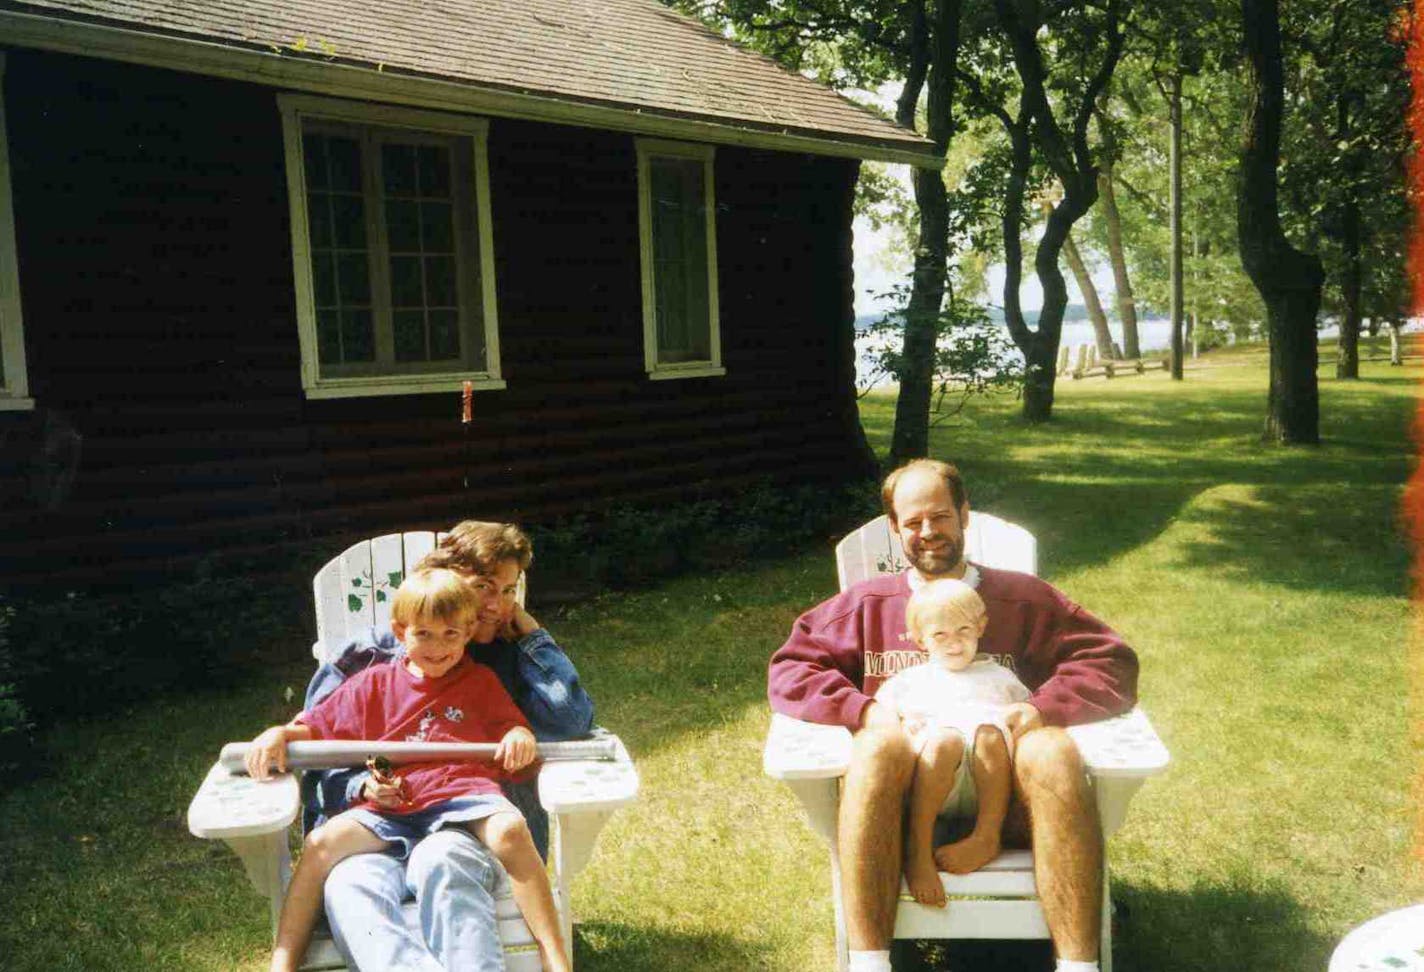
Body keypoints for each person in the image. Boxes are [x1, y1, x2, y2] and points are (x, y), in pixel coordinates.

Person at [767, 459, 1139, 972]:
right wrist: (865, 710)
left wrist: (1040, 709)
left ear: (965, 515)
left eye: (940, 517)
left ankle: (1079, 967)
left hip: (1008, 792)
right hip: (905, 799)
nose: (928, 533)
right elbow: (793, 667)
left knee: (1053, 748)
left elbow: (1110, 661)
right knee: (875, 745)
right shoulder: (865, 608)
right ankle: (870, 965)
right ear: (895, 530)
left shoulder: (1024, 600)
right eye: (913, 522)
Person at [284, 521, 594, 972]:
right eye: (486, 588)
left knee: (444, 860)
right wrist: (361, 788)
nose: (498, 605)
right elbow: (320, 736)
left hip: (461, 821)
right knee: (348, 886)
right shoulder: (371, 663)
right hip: (379, 819)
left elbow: (565, 718)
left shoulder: (495, 665)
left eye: (510, 591)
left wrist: (529, 631)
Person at [875, 578, 1030, 908]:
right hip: (932, 786)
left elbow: (1025, 720)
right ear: (920, 639)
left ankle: (987, 837)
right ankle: (918, 852)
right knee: (944, 739)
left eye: (963, 630)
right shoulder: (908, 682)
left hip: (988, 788)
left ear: (981, 626)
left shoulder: (1001, 678)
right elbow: (882, 725)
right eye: (939, 635)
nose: (954, 643)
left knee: (989, 731)